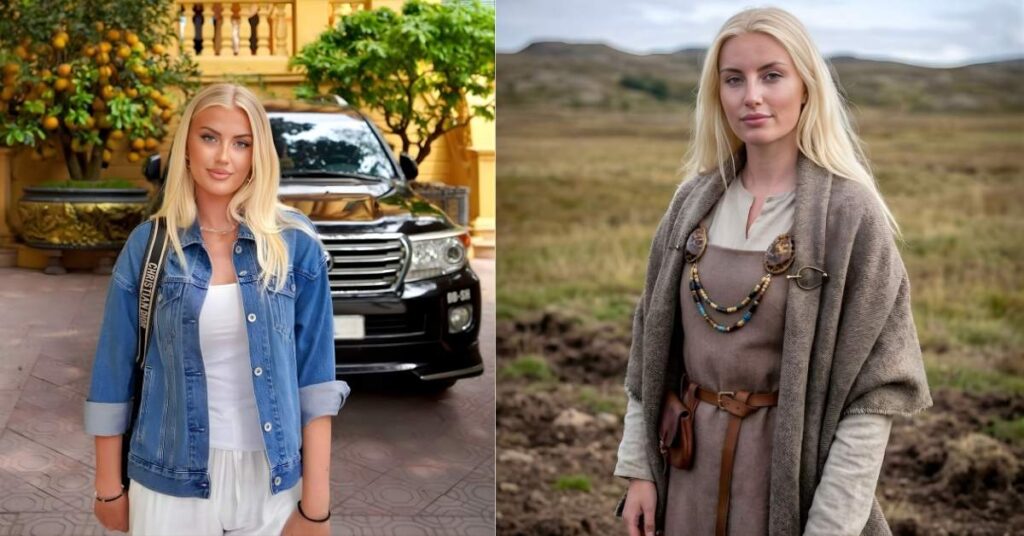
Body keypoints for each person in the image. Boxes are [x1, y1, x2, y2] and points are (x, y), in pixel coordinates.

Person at [613, 8, 932, 536]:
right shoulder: (692, 204)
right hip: (686, 475)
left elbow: (874, 395)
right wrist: (640, 470)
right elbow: (649, 348)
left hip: (787, 482)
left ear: (807, 86)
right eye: (733, 79)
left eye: (772, 75)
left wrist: (830, 528)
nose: (751, 96)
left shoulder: (851, 216)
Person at [84, 83, 350, 535]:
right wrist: (108, 486)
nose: (223, 156)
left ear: (256, 155)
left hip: (272, 481)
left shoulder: (295, 247)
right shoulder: (150, 247)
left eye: (241, 143)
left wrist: (316, 507)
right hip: (169, 478)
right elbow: (111, 374)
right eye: (209, 137)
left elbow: (316, 381)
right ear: (186, 146)